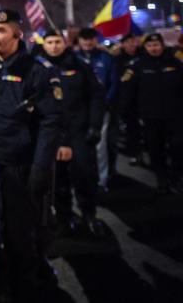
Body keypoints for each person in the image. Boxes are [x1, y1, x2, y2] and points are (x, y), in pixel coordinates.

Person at [0, 9, 63, 301]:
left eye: (1, 30)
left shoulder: (36, 71)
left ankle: (25, 288)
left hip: (17, 169)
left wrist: (40, 168)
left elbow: (50, 122)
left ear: (18, 33)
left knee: (21, 237)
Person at [40, 30, 106, 236]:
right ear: (44, 45)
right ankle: (64, 217)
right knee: (58, 180)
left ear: (65, 43)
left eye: (57, 41)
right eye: (49, 42)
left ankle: (89, 214)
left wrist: (95, 126)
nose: (54, 46)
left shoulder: (80, 65)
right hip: (51, 134)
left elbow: (96, 96)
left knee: (84, 176)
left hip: (79, 132)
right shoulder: (37, 68)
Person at [119, 33, 183, 194]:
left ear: (162, 45)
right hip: (150, 117)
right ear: (145, 47)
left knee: (178, 147)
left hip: (175, 115)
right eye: (150, 45)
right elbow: (128, 91)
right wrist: (128, 113)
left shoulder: (175, 63)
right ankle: (162, 178)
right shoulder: (137, 66)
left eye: (156, 45)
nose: (154, 48)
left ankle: (176, 177)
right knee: (155, 149)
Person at [76, 27, 119, 189]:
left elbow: (114, 82)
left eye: (91, 38)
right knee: (79, 144)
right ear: (79, 40)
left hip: (101, 109)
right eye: (84, 38)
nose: (87, 42)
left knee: (100, 146)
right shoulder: (73, 58)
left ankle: (102, 179)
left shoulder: (106, 58)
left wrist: (103, 102)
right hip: (79, 110)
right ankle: (81, 180)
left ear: (96, 40)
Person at [113, 33, 143, 165]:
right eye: (128, 42)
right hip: (129, 100)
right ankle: (135, 153)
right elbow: (119, 80)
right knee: (132, 129)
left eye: (133, 41)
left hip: (146, 98)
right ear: (123, 44)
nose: (132, 44)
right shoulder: (118, 59)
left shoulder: (143, 54)